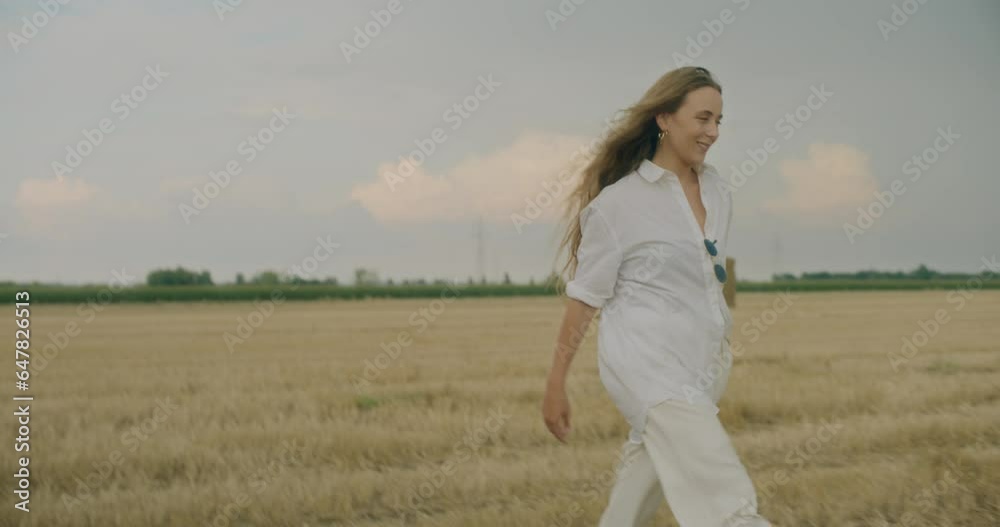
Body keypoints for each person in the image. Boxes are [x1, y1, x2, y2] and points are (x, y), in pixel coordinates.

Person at [541, 66, 773, 526]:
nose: (712, 132)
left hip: (703, 366)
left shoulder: (718, 190)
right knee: (723, 496)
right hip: (646, 366)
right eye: (703, 118)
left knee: (637, 490)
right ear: (665, 119)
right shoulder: (618, 206)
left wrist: (720, 329)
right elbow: (585, 299)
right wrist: (555, 384)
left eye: (719, 121)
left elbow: (716, 270)